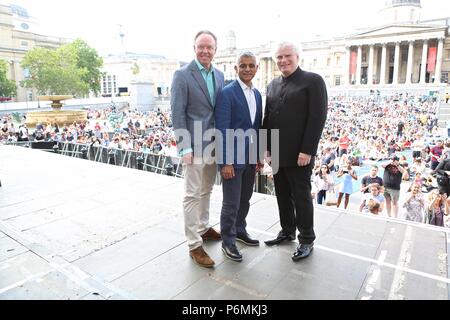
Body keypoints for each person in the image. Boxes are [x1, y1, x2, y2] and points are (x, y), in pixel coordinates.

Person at [262, 42, 328, 261]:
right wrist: (267, 148)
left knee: (301, 197)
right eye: (279, 57)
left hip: (300, 153)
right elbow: (267, 118)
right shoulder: (272, 84)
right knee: (282, 195)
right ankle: (287, 230)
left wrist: (307, 150)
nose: (283, 60)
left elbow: (317, 117)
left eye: (287, 56)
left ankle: (307, 239)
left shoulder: (313, 81)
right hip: (278, 152)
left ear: (298, 56)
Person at [170, 30, 225, 268]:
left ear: (215, 50)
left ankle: (203, 228)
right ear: (194, 48)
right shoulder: (182, 75)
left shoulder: (220, 75)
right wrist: (184, 147)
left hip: (213, 144)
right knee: (192, 195)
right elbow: (177, 112)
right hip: (193, 146)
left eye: (209, 47)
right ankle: (194, 244)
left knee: (207, 190)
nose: (205, 51)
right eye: (201, 47)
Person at [215, 51, 263, 262]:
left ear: (256, 68)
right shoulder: (227, 93)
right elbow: (222, 129)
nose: (247, 69)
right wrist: (225, 161)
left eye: (251, 65)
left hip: (250, 157)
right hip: (232, 160)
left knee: (245, 199)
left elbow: (257, 128)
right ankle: (228, 240)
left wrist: (259, 155)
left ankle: (240, 230)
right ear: (236, 68)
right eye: (242, 65)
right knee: (231, 202)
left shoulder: (258, 94)